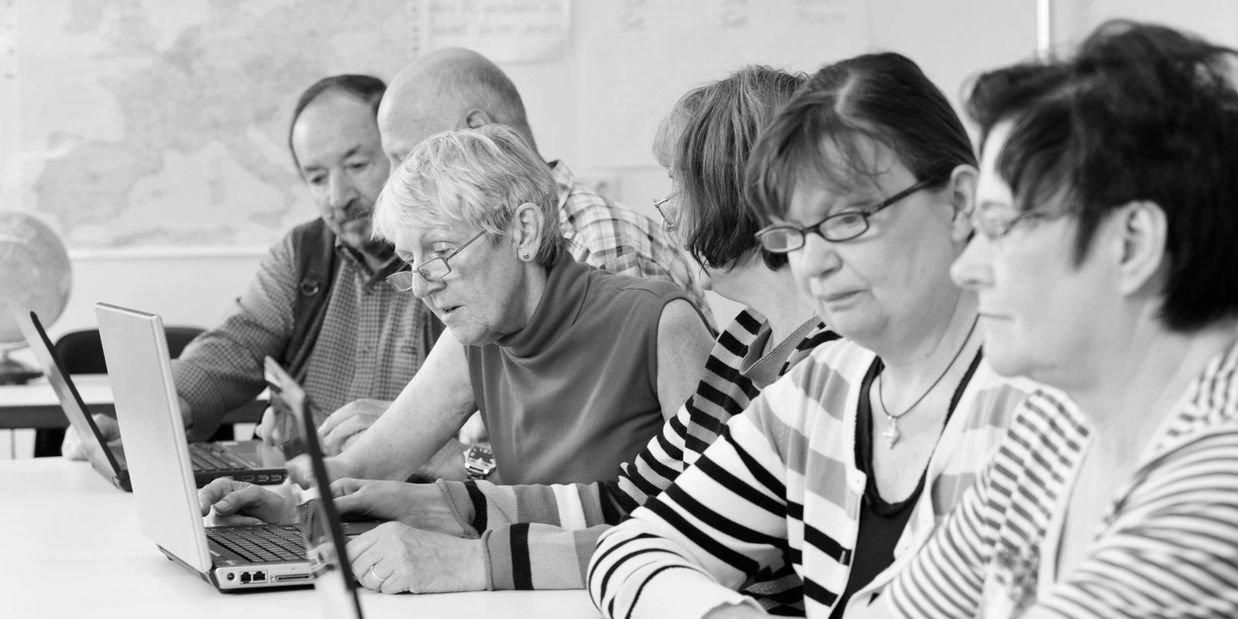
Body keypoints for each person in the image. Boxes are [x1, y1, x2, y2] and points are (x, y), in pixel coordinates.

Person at [200, 65, 837, 598]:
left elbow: (694, 545)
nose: (669, 214)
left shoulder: (808, 361)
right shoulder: (742, 343)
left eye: (680, 185)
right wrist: (420, 506)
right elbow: (624, 503)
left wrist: (475, 558)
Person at [587, 52, 1034, 619]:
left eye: (847, 220)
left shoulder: (1036, 399)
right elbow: (628, 548)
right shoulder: (817, 393)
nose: (814, 262)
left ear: (959, 203)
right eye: (792, 232)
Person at [870, 21, 1238, 618]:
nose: (967, 268)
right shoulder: (1055, 418)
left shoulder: (1221, 481)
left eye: (1000, 227)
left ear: (1132, 243)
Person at [310, 47, 714, 455]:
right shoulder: (485, 314)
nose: (397, 177)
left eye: (408, 156)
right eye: (411, 261)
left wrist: (460, 459)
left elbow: (611, 470)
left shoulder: (607, 250)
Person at [63, 75, 440, 455]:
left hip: (415, 492)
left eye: (357, 165)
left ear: (400, 155)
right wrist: (149, 421)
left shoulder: (449, 259)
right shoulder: (303, 253)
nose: (337, 197)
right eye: (316, 177)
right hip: (304, 486)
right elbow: (237, 343)